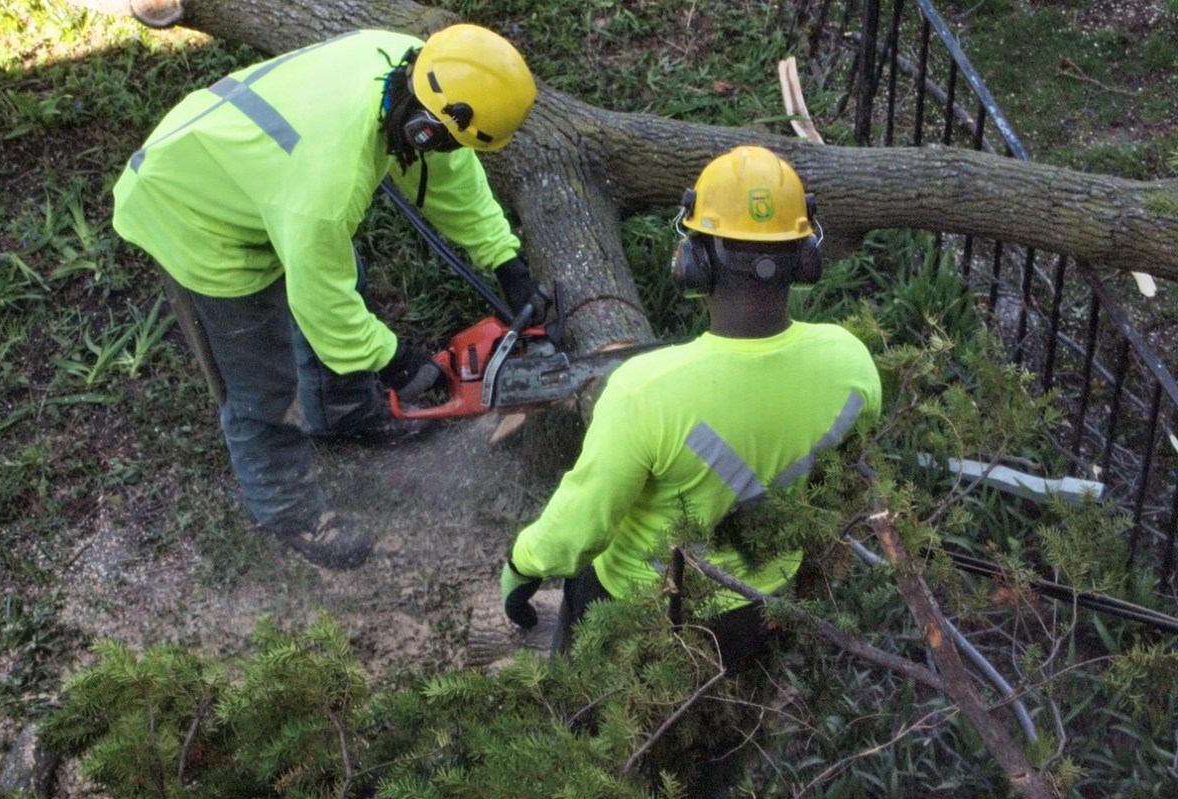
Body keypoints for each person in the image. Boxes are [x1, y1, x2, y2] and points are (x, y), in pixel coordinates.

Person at [499, 145, 883, 791]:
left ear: (694, 259)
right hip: (761, 610)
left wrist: (522, 564)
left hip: (641, 613)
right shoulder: (849, 361)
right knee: (717, 755)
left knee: (600, 749)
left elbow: (580, 526)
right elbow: (842, 487)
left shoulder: (646, 388)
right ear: (805, 256)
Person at [112, 24, 549, 570]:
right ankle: (290, 512)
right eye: (441, 138)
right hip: (190, 208)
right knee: (262, 383)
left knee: (338, 269)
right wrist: (394, 361)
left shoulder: (406, 65)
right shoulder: (327, 185)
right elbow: (324, 302)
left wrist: (505, 261)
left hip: (252, 167)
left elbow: (449, 170)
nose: (442, 149)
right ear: (421, 127)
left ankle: (342, 413)